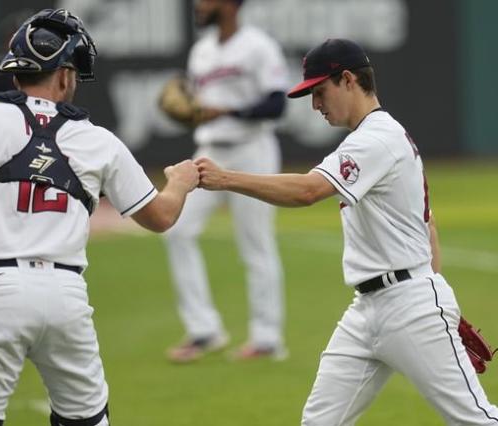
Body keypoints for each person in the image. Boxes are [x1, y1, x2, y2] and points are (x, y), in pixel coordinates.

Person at [0, 9, 199, 426]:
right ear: (62, 75)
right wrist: (182, 181)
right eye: (74, 71)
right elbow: (161, 217)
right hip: (65, 296)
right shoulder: (99, 140)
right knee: (86, 420)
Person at [196, 37, 498, 424]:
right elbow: (429, 222)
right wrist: (435, 294)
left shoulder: (377, 138)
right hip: (368, 310)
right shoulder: (371, 138)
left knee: (475, 420)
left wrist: (226, 178)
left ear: (349, 80)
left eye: (319, 91)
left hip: (409, 306)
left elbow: (307, 191)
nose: (315, 105)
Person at [164, 0, 289, 363]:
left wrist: (231, 110)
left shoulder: (258, 45)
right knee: (176, 229)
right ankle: (204, 329)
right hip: (208, 151)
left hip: (252, 150)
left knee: (256, 244)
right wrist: (191, 112)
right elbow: (198, 107)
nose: (199, 5)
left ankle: (267, 339)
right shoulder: (200, 51)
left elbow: (277, 104)